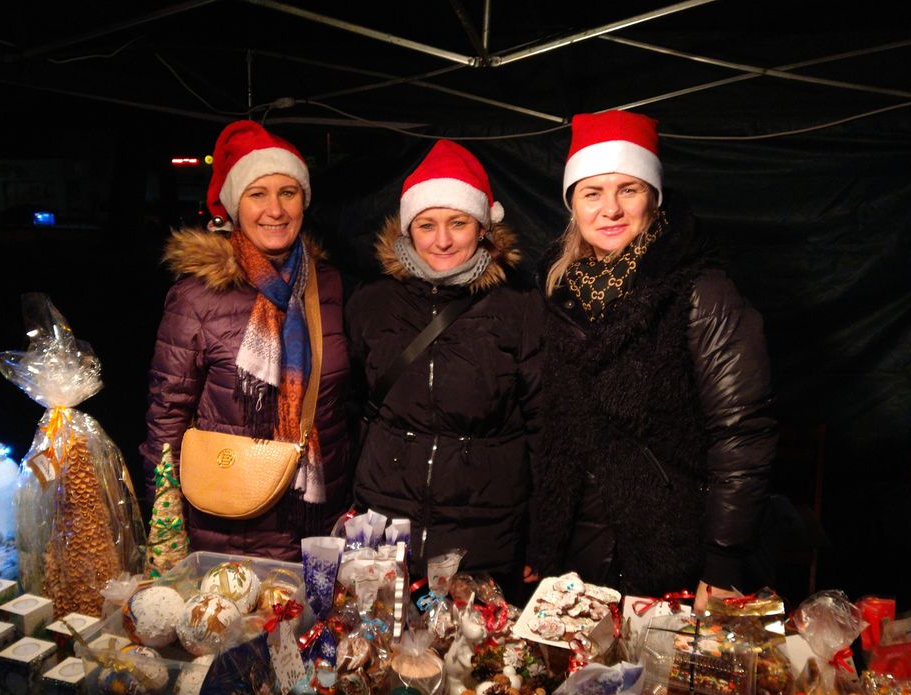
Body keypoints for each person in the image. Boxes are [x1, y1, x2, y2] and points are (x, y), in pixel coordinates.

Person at [527, 111, 776, 610]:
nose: (610, 209)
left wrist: (723, 565)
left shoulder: (702, 291)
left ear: (654, 198)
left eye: (629, 189)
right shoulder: (560, 294)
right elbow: (553, 429)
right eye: (592, 192)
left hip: (665, 550)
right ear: (572, 205)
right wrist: (543, 540)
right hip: (573, 557)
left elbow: (742, 433)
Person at [142, 120, 350, 560]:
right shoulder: (197, 296)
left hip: (314, 517)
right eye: (258, 194)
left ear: (304, 202)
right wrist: (166, 520)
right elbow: (167, 417)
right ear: (235, 206)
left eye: (288, 193)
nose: (275, 210)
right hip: (228, 525)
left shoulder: (327, 286)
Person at [347, 140, 542, 596]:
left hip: (484, 540)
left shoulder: (520, 310)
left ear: (483, 228)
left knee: (474, 663)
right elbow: (351, 403)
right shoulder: (370, 303)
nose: (442, 240)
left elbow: (546, 431)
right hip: (385, 535)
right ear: (407, 229)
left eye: (458, 223)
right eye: (427, 224)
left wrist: (541, 539)